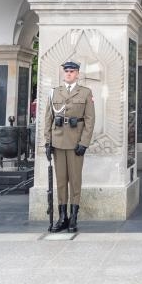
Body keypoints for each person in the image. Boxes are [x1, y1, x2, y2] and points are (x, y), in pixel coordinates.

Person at [43, 60, 95, 233]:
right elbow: (48, 119)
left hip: (75, 143)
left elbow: (89, 120)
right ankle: (62, 217)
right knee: (60, 181)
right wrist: (47, 142)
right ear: (63, 73)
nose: (69, 74)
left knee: (75, 180)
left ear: (78, 74)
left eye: (72, 71)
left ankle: (73, 217)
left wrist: (84, 143)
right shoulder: (54, 93)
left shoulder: (86, 93)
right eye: (67, 71)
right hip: (58, 142)